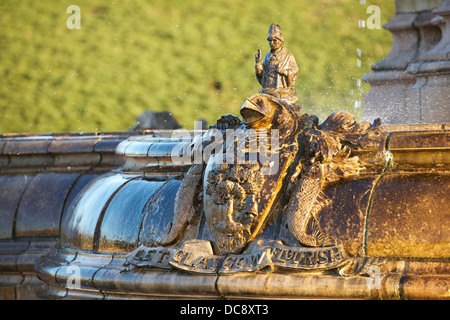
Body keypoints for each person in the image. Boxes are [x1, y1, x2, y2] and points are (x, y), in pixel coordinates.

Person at [255, 24, 299, 103]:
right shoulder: (267, 56)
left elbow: (295, 70)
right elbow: (262, 74)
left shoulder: (288, 55)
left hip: (282, 92)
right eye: (270, 41)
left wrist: (284, 72)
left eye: (274, 40)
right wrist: (258, 64)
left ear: (281, 41)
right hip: (267, 91)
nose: (271, 43)